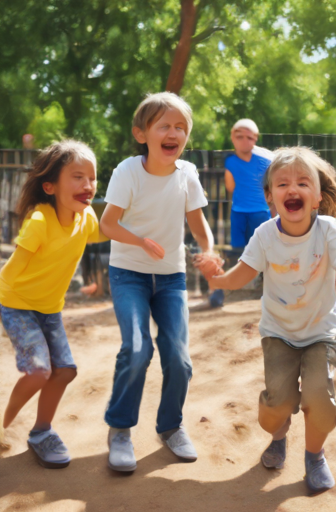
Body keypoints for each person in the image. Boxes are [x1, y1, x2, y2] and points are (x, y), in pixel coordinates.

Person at [208, 147, 336, 494]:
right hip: (278, 333)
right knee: (278, 404)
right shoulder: (264, 235)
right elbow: (241, 275)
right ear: (270, 197)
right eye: (283, 184)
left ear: (318, 196)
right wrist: (216, 278)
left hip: (321, 331)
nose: (293, 189)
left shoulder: (328, 229)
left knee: (319, 399)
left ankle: (314, 456)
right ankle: (278, 436)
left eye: (303, 183)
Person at [100, 92, 219, 472]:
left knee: (179, 359)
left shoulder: (188, 174)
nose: (174, 132)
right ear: (142, 134)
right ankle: (120, 430)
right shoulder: (127, 172)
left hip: (172, 279)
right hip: (128, 274)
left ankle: (171, 426)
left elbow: (199, 221)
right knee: (137, 350)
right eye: (164, 125)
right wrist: (140, 241)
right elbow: (107, 223)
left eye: (180, 127)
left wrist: (209, 249)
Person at [0, 140, 100, 467]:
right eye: (76, 177)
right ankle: (7, 416)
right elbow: (12, 268)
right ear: (50, 186)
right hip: (15, 303)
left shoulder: (86, 219)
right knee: (41, 370)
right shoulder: (40, 220)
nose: (87, 185)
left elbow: (107, 231)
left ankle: (41, 432)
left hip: (49, 308)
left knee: (65, 371)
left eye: (92, 177)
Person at [197, 119, 273, 311]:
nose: (244, 141)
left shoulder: (259, 161)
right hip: (244, 211)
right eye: (240, 137)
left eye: (249, 137)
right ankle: (227, 290)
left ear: (255, 139)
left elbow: (230, 186)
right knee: (249, 252)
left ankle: (227, 292)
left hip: (256, 212)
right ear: (232, 138)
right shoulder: (255, 161)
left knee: (253, 251)